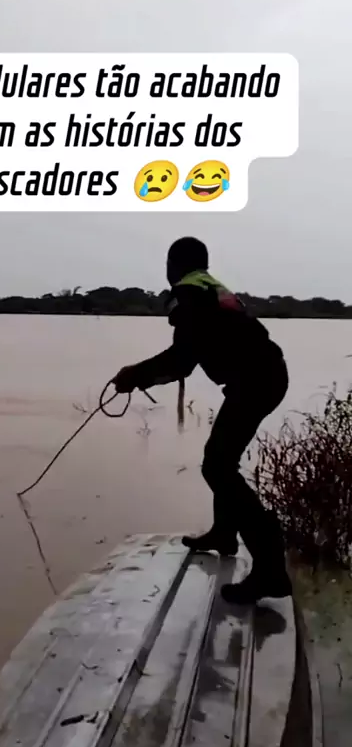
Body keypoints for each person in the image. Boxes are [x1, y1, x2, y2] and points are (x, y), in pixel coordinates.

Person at [112, 236, 291, 604]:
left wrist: (135, 375)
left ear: (173, 265)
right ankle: (224, 533)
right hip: (265, 376)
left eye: (168, 263)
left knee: (217, 467)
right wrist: (145, 376)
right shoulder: (209, 289)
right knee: (222, 460)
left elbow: (182, 359)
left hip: (256, 382)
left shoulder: (190, 295)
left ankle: (271, 569)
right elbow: (188, 357)